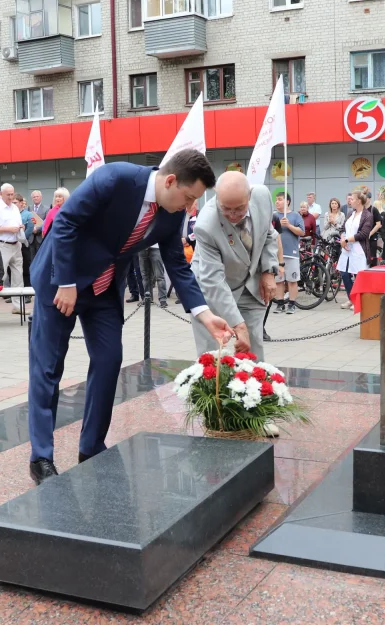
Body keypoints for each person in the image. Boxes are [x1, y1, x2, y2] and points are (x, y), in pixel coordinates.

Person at [27, 149, 233, 484]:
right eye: (189, 197)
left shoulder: (170, 211)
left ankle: (91, 447)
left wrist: (205, 314)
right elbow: (65, 221)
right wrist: (65, 282)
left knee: (109, 361)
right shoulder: (116, 178)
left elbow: (176, 263)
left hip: (105, 290)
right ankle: (41, 457)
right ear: (170, 181)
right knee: (48, 367)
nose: (190, 208)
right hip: (60, 280)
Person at [190, 172, 279, 360]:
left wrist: (268, 271)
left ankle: (254, 388)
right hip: (212, 290)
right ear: (216, 195)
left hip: (250, 286)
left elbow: (269, 234)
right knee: (212, 354)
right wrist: (238, 325)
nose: (232, 215)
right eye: (225, 208)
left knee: (253, 347)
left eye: (239, 208)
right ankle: (212, 388)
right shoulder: (205, 225)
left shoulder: (262, 196)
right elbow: (213, 280)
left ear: (250, 195)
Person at [0, 183, 25, 312]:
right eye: (8, 195)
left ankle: (18, 307)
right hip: (1, 245)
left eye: (12, 194)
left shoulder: (15, 207)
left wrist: (21, 227)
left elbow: (17, 223)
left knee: (18, 276)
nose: (10, 197)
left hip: (16, 244)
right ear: (1, 194)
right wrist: (8, 229)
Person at [338, 189, 373, 311]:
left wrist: (347, 240)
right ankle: (351, 298)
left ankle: (359, 300)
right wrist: (343, 237)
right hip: (346, 250)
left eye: (352, 199)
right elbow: (342, 228)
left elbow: (363, 234)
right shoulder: (350, 214)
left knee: (359, 276)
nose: (350, 201)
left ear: (358, 201)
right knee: (344, 273)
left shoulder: (367, 215)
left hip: (359, 250)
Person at [271, 192, 304, 314]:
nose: (277, 202)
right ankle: (280, 303)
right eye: (276, 199)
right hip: (276, 253)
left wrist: (288, 225)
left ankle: (292, 303)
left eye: (280, 199)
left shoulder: (296, 216)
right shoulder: (273, 216)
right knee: (279, 280)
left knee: (292, 280)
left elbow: (301, 232)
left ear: (287, 201)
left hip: (291, 252)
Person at [16, 193, 37, 288]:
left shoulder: (28, 214)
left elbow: (30, 228)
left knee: (25, 268)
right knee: (12, 270)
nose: (13, 204)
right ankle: (14, 293)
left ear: (21, 203)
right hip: (12, 244)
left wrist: (22, 237)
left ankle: (27, 292)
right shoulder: (10, 214)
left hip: (24, 245)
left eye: (15, 202)